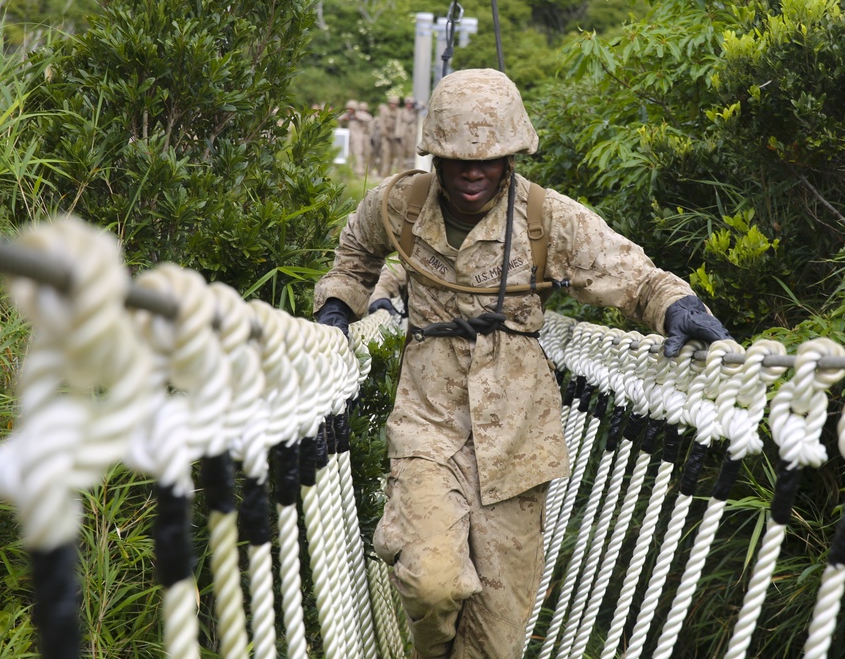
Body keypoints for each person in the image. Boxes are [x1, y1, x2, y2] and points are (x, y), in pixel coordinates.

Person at [312, 68, 730, 658]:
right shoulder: (399, 204)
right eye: (459, 160)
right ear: (436, 156)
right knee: (431, 583)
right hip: (428, 422)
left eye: (490, 158)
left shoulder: (545, 217)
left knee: (496, 638)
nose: (474, 172)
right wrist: (336, 308)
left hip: (517, 438)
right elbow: (355, 254)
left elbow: (631, 274)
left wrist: (677, 306)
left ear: (513, 156)